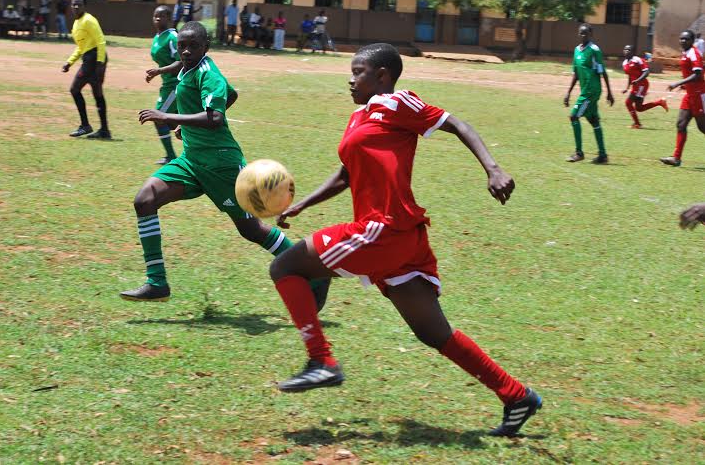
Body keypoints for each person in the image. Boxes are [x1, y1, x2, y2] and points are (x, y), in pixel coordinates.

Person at [267, 43, 541, 437]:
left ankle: (321, 361)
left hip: (384, 230)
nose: (350, 78)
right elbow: (347, 173)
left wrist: (493, 169)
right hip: (400, 241)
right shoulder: (359, 116)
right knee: (433, 332)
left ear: (382, 76)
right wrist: (303, 205)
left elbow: (457, 124)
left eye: (358, 71)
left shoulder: (397, 103)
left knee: (285, 265)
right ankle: (516, 395)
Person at [121, 21, 330, 303]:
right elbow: (230, 95)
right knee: (145, 200)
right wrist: (188, 126)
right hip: (192, 161)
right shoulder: (189, 68)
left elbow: (215, 117)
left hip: (222, 166)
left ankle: (315, 271)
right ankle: (157, 282)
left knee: (251, 230)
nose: (185, 51)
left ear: (206, 48)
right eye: (182, 45)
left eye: (193, 46)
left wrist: (168, 117)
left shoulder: (208, 72)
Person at [61, 0, 110, 139]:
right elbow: (81, 47)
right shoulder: (77, 23)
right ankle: (104, 130)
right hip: (89, 57)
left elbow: (100, 41)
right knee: (98, 94)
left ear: (84, 6)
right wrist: (70, 62)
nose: (76, 7)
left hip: (94, 59)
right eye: (74, 4)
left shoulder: (89, 20)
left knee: (74, 89)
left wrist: (100, 63)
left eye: (79, 4)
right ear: (71, 6)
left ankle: (85, 126)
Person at [563, 24, 613, 163]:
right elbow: (576, 74)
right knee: (593, 120)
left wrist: (609, 92)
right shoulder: (576, 51)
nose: (583, 36)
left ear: (591, 34)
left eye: (586, 33)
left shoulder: (594, 50)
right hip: (585, 90)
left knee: (574, 117)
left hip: (591, 91)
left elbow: (602, 71)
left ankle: (579, 153)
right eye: (581, 33)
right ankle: (603, 155)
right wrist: (568, 93)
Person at [660, 30, 705, 167]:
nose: (682, 41)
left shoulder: (694, 53)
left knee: (703, 127)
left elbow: (698, 74)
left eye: (686, 39)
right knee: (681, 124)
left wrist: (678, 83)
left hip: (698, 94)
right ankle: (676, 158)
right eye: (681, 39)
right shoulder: (686, 53)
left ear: (692, 41)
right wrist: (685, 86)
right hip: (690, 94)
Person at [146, 5, 182, 164]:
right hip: (167, 84)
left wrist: (159, 71)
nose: (158, 19)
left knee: (159, 117)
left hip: (177, 85)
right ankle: (174, 155)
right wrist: (157, 73)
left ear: (170, 18)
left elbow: (181, 62)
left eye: (162, 16)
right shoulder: (157, 37)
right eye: (155, 16)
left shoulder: (173, 37)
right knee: (170, 121)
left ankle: (171, 156)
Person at [621, 44, 667, 128]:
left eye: (629, 50)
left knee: (628, 103)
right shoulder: (624, 63)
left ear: (633, 52)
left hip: (642, 85)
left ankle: (637, 124)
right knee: (639, 108)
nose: (626, 51)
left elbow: (646, 72)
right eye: (625, 49)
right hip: (636, 86)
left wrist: (638, 80)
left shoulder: (638, 60)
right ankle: (660, 102)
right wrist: (627, 88)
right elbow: (629, 76)